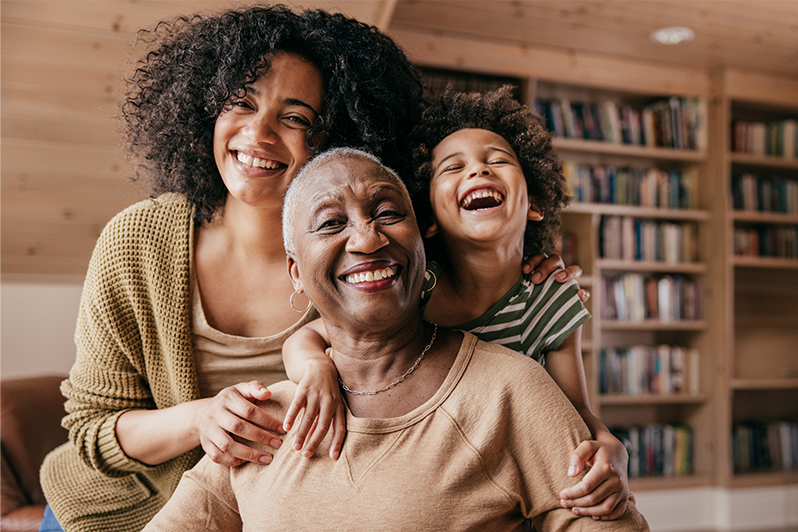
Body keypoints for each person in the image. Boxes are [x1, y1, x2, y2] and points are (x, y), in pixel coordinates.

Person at [38, 7, 576, 532]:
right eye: (240, 104)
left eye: (295, 117)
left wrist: (537, 267)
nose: (259, 133)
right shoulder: (138, 243)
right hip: (113, 511)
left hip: (270, 510)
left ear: (336, 135)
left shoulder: (374, 261)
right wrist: (204, 419)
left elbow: (485, 288)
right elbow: (91, 429)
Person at [143, 147, 648, 531]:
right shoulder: (261, 422)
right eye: (331, 223)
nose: (367, 239)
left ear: (422, 243)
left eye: (388, 213)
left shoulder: (509, 389)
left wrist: (607, 446)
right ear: (296, 273)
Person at [282, 87, 629, 520]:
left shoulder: (551, 298)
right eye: (454, 167)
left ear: (535, 202)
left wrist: (612, 447)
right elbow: (307, 338)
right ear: (426, 220)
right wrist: (315, 368)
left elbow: (574, 411)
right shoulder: (413, 288)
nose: (479, 169)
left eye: (498, 159)